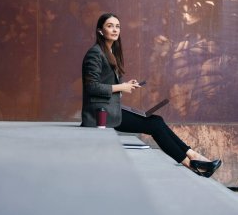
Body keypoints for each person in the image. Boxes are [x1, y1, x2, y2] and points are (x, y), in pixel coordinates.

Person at [81, 12, 221, 177]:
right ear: (100, 31)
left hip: (109, 109)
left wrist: (127, 85)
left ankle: (194, 157)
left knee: (157, 121)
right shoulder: (95, 53)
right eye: (110, 26)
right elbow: (91, 87)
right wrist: (121, 87)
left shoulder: (109, 52)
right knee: (154, 125)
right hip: (101, 115)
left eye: (117, 26)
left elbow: (107, 83)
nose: (115, 30)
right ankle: (193, 164)